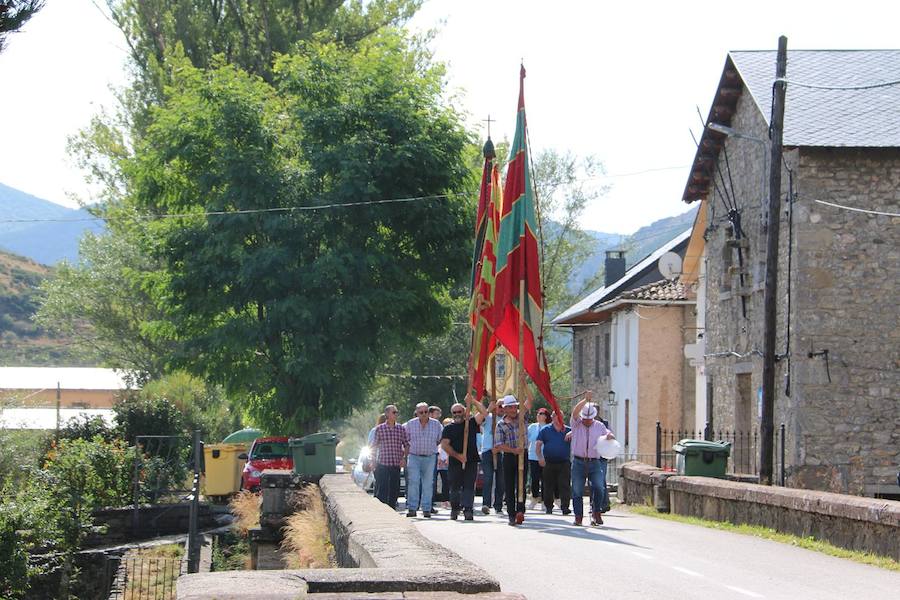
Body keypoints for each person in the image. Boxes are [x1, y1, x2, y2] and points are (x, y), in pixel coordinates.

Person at [569, 392, 615, 526]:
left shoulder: (599, 426)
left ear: (594, 417)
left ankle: (596, 512)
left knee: (599, 487)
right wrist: (585, 400)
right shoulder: (576, 424)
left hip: (594, 461)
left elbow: (607, 433)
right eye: (585, 418)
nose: (587, 421)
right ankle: (578, 516)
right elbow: (575, 411)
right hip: (578, 461)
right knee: (577, 490)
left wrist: (609, 436)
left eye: (589, 418)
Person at [440, 395, 487, 520]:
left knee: (469, 486)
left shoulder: (471, 423)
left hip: (471, 460)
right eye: (454, 412)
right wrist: (458, 456)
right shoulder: (448, 428)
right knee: (455, 487)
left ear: (464, 411)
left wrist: (473, 401)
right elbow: (444, 445)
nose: (457, 414)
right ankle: (455, 509)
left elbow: (484, 412)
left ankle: (468, 509)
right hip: (455, 461)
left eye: (459, 411)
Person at [494, 393, 532, 526]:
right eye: (509, 408)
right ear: (504, 409)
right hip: (510, 456)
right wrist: (513, 450)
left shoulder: (522, 417)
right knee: (509, 486)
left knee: (521, 484)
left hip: (523, 454)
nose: (512, 410)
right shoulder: (501, 424)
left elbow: (530, 399)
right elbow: (499, 444)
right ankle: (511, 514)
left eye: (514, 407)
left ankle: (520, 511)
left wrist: (524, 383)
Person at [403, 402, 443, 518]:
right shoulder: (410, 424)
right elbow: (405, 440)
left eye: (426, 412)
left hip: (430, 457)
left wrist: (432, 447)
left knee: (428, 484)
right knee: (413, 482)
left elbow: (439, 439)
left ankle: (426, 508)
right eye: (421, 412)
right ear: (417, 413)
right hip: (414, 456)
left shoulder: (436, 424)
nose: (424, 414)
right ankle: (412, 508)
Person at [372, 404, 409, 510]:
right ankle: (382, 510)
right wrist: (373, 460)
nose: (396, 414)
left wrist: (404, 458)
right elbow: (374, 446)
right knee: (383, 488)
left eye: (397, 412)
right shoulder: (380, 429)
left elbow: (406, 444)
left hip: (396, 463)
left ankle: (392, 508)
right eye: (394, 412)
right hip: (383, 463)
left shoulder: (400, 428)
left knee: (394, 488)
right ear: (387, 414)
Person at [536, 411, 572, 515]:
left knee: (564, 485)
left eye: (560, 416)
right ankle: (548, 507)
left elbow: (579, 435)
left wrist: (573, 432)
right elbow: (538, 444)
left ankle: (565, 507)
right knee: (548, 485)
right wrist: (540, 458)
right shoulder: (545, 430)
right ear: (552, 417)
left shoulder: (568, 430)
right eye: (555, 416)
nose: (557, 418)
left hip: (564, 461)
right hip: (549, 462)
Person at [480, 397, 504, 515]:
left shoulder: (507, 420)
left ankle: (498, 505)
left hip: (502, 452)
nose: (502, 409)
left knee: (501, 480)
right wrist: (489, 408)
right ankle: (486, 504)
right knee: (488, 478)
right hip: (488, 451)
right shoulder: (489, 417)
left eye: (504, 406)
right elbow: (480, 418)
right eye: (500, 406)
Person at [526, 408, 551, 509]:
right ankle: (534, 498)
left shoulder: (549, 427)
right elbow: (527, 440)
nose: (538, 415)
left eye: (541, 414)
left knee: (545, 479)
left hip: (545, 456)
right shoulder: (532, 427)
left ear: (545, 416)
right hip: (533, 456)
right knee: (534, 479)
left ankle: (545, 501)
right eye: (538, 413)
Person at [434, 417, 452, 509]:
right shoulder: (440, 435)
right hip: (438, 462)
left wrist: (448, 458)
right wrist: (438, 458)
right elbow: (438, 447)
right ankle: (433, 500)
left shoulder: (452, 436)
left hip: (447, 462)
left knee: (446, 482)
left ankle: (446, 500)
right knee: (434, 481)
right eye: (445, 425)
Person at [367, 413, 386, 498]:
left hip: (386, 459)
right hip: (378, 459)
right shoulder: (375, 430)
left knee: (382, 480)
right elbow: (371, 445)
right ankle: (379, 497)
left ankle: (383, 497)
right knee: (379, 480)